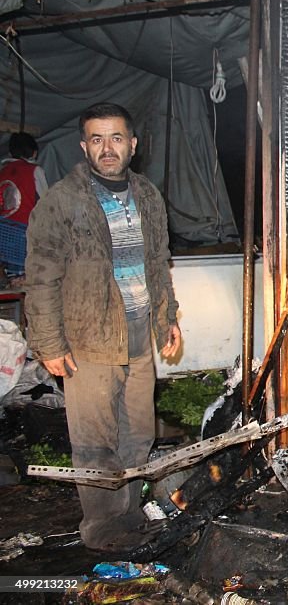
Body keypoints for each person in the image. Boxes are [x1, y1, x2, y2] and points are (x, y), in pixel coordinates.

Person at [24, 102, 182, 552]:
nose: (107, 148)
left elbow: (157, 262)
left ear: (132, 144)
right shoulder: (63, 201)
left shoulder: (148, 194)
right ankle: (101, 527)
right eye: (97, 139)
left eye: (115, 138)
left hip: (137, 339)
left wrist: (166, 317)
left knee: (137, 436)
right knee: (95, 444)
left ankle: (129, 516)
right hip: (88, 340)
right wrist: (49, 343)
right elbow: (41, 277)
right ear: (83, 146)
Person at [0, 132, 48, 225]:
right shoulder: (34, 170)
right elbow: (46, 201)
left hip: (3, 228)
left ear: (10, 153)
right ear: (34, 153)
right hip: (24, 228)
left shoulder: (3, 171)